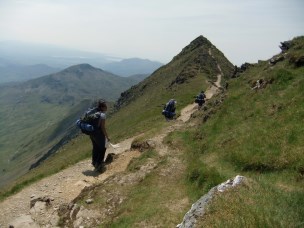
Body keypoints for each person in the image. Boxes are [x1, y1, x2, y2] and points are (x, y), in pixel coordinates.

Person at [89, 99, 110, 172]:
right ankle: (99, 163)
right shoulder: (102, 115)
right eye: (105, 106)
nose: (107, 107)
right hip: (98, 134)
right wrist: (107, 137)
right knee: (103, 147)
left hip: (91, 133)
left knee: (95, 147)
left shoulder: (94, 112)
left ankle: (94, 162)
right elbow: (102, 127)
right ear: (102, 107)